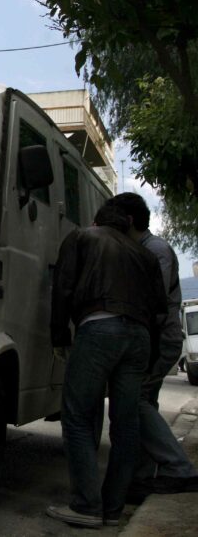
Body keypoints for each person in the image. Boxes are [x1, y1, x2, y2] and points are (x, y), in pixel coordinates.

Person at [47, 204, 167, 528]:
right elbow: (160, 310)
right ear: (128, 225)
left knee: (78, 417)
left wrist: (59, 336)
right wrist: (151, 355)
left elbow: (63, 288)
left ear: (97, 220)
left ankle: (86, 505)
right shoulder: (145, 257)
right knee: (126, 425)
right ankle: (113, 509)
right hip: (139, 337)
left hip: (99, 327)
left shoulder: (83, 237)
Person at [107, 193, 198, 496]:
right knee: (144, 404)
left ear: (128, 220)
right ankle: (143, 477)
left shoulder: (155, 250)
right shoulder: (144, 248)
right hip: (153, 338)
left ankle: (178, 468)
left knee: (137, 402)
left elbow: (151, 301)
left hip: (158, 339)